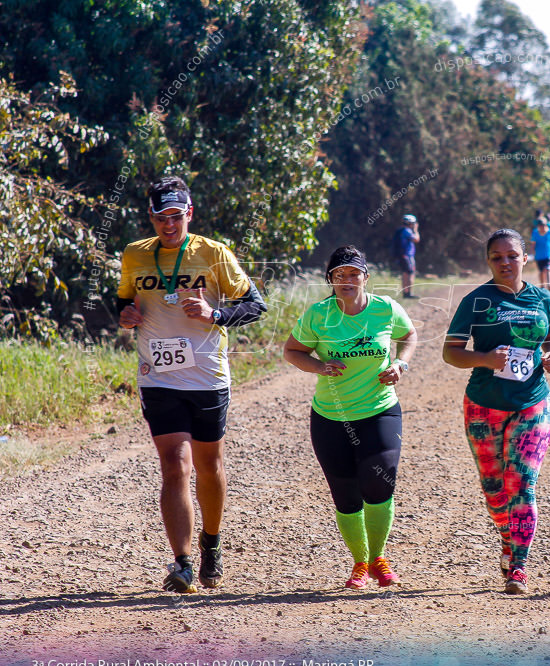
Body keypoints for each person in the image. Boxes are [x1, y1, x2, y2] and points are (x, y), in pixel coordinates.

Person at [117, 176, 268, 593]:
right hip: (158, 376)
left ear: (190, 214)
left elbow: (256, 307)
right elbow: (124, 300)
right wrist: (126, 315)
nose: (169, 225)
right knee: (174, 465)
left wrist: (215, 315)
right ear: (150, 216)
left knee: (208, 465)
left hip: (207, 377)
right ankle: (182, 563)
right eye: (161, 217)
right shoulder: (134, 255)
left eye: (176, 216)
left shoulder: (213, 253)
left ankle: (211, 544)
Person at [283, 245, 417, 589]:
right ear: (330, 280)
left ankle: (379, 558)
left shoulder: (386, 309)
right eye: (339, 274)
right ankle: (360, 562)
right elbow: (292, 351)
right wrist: (319, 366)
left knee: (380, 480)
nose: (347, 280)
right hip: (331, 417)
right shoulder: (319, 314)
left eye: (354, 273)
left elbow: (409, 336)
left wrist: (400, 364)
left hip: (380, 410)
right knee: (345, 495)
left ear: (366, 277)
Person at [442, 229, 550, 595]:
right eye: (497, 257)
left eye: (512, 255)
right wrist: (484, 359)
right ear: (489, 262)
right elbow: (451, 352)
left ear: (525, 258)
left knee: (521, 484)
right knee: (494, 491)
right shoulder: (476, 300)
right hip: (483, 406)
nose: (505, 262)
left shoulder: (543, 298)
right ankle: (508, 541)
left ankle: (519, 567)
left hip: (532, 402)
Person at [391, 215, 420, 299]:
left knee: (405, 274)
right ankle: (409, 293)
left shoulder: (400, 230)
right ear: (411, 223)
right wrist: (416, 230)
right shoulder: (407, 231)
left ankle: (405, 293)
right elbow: (416, 239)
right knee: (410, 274)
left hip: (402, 256)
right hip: (407, 256)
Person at [531, 210, 550, 291]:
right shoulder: (535, 233)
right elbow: (533, 244)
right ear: (538, 226)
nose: (542, 227)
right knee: (541, 271)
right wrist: (532, 253)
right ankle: (543, 285)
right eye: (540, 226)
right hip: (539, 255)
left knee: (549, 269)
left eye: (543, 225)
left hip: (549, 254)